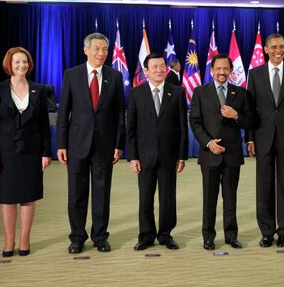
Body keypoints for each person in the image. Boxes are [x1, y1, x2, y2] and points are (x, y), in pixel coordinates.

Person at [56, 33, 125, 254]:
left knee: (102, 193)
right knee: (76, 192)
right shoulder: (72, 74)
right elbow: (63, 112)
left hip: (105, 144)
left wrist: (118, 144)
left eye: (105, 49)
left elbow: (118, 115)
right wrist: (61, 144)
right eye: (97, 48)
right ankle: (77, 237)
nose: (101, 53)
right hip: (77, 144)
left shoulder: (114, 76)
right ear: (86, 50)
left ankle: (100, 236)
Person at [0, 47, 51, 257]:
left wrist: (45, 153)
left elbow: (44, 125)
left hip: (32, 152)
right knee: (7, 197)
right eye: (17, 62)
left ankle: (24, 241)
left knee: (28, 196)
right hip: (5, 153)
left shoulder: (39, 89)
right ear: (9, 65)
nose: (21, 65)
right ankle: (8, 241)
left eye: (24, 62)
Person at [246, 33, 284, 248]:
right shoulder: (255, 74)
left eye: (281, 46)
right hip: (262, 138)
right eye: (273, 47)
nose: (277, 50)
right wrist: (250, 138)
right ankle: (266, 231)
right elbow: (250, 110)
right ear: (265, 49)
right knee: (264, 187)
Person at [190, 53, 254, 250]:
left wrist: (236, 116)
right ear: (211, 70)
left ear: (231, 71)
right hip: (210, 154)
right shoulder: (200, 92)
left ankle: (231, 236)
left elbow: (251, 121)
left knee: (230, 198)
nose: (222, 72)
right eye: (218, 68)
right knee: (209, 199)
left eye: (226, 68)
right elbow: (195, 121)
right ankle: (208, 237)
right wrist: (208, 143)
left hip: (232, 155)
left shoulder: (240, 93)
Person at [127, 52, 188, 251]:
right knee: (145, 197)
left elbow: (182, 128)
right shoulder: (136, 93)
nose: (159, 70)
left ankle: (165, 235)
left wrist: (181, 156)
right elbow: (132, 129)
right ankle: (146, 235)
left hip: (169, 155)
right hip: (144, 157)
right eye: (154, 67)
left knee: (168, 198)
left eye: (162, 66)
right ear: (146, 71)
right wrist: (133, 156)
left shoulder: (177, 92)